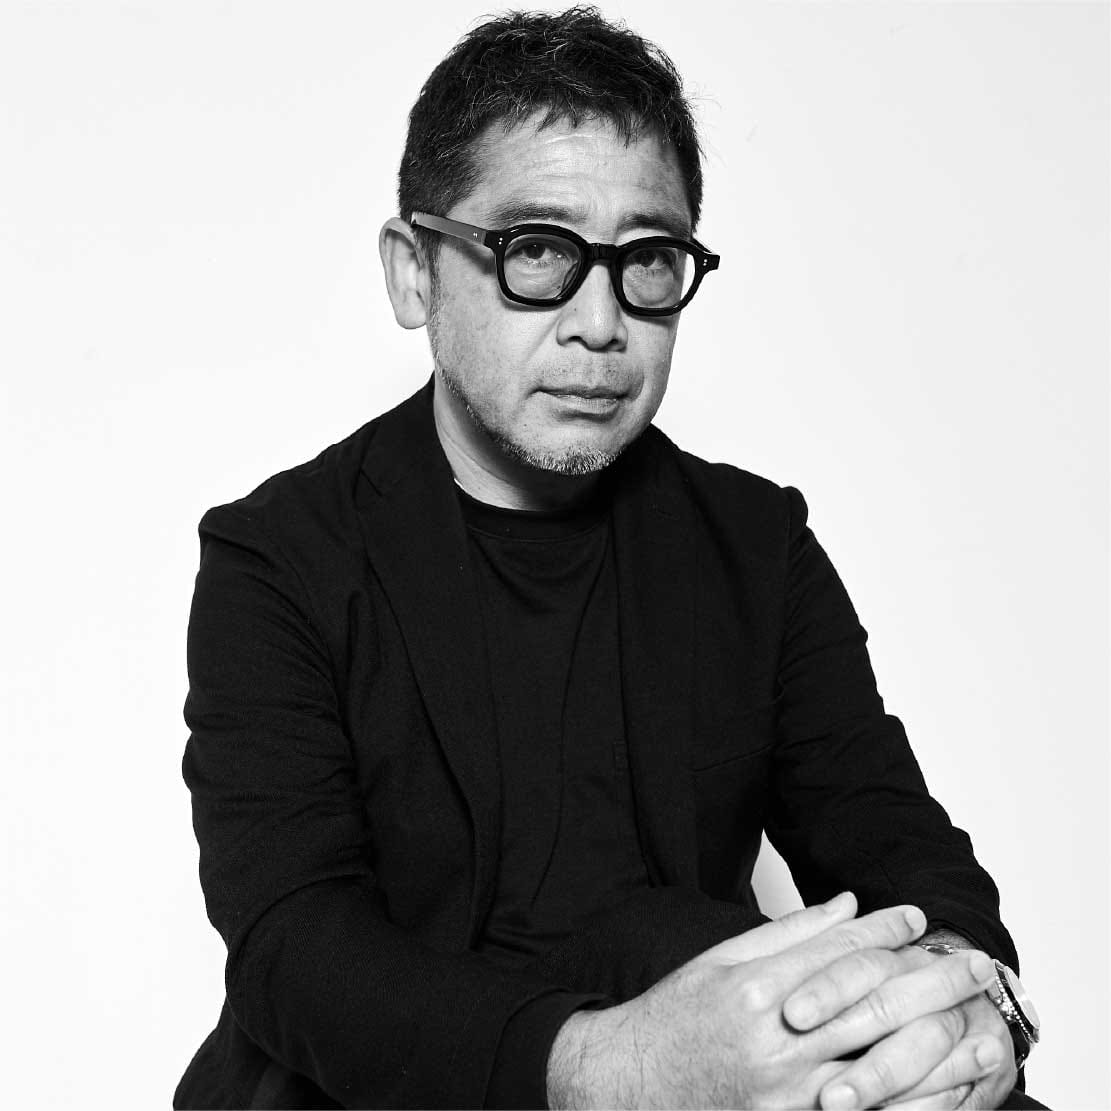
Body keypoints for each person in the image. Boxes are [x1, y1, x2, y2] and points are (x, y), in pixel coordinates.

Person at [174, 8, 1046, 1109]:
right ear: (413, 272)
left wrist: (971, 1006)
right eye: (536, 251)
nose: (600, 323)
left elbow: (893, 841)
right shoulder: (277, 555)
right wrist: (609, 1067)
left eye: (646, 260)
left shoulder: (755, 543)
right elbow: (295, 949)